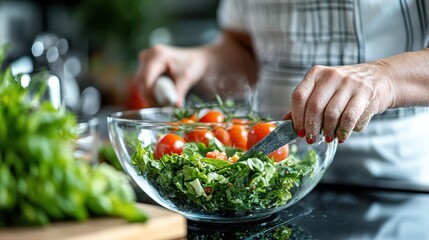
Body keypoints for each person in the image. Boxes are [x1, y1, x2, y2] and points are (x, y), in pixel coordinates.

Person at [136, 0, 429, 187]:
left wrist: (384, 79)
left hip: (400, 186)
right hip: (274, 181)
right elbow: (245, 50)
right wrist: (200, 61)